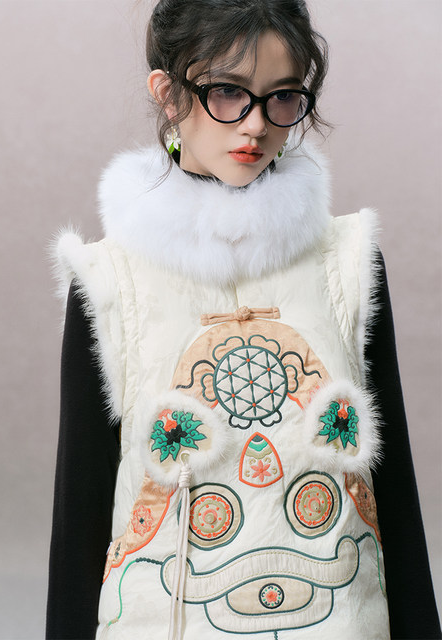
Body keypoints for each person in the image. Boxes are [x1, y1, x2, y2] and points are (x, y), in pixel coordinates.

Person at [46, 1, 441, 639]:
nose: (256, 125)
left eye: (282, 97)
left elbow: (392, 489)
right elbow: (80, 510)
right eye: (227, 92)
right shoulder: (107, 280)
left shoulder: (347, 262)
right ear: (167, 93)